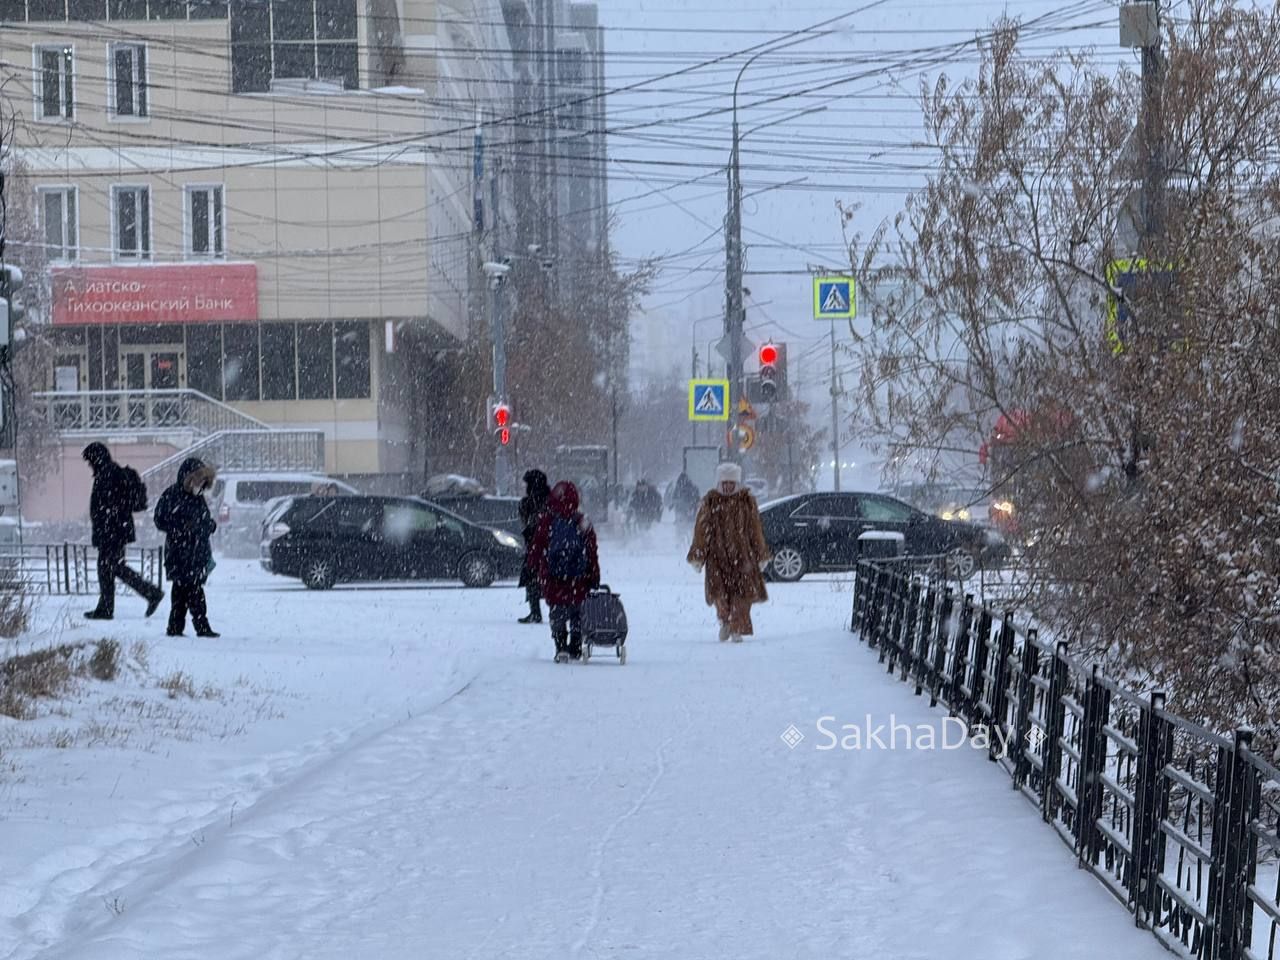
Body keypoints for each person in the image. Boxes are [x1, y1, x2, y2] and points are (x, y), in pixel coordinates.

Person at [687, 462, 771, 642]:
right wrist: (698, 555)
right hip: (717, 558)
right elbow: (702, 530)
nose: (727, 486)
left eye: (731, 483)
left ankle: (737, 627)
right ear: (718, 483)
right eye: (724, 483)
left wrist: (761, 553)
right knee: (720, 595)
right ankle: (725, 622)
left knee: (742, 595)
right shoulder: (710, 501)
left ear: (737, 483)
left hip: (743, 557)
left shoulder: (746, 501)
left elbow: (755, 529)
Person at [82, 442, 164, 621]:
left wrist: (105, 523)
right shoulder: (109, 472)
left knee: (112, 567)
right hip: (115, 530)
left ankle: (150, 593)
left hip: (112, 531)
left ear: (97, 458)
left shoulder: (108, 474)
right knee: (111, 568)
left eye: (90, 460)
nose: (89, 464)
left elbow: (110, 505)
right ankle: (107, 607)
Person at [528, 481, 600, 662]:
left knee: (557, 610)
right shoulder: (582, 521)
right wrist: (594, 574)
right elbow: (591, 551)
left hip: (553, 577)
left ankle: (560, 646)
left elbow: (537, 547)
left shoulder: (547, 521)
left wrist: (533, 566)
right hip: (579, 578)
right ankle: (575, 645)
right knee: (577, 611)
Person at [153, 457, 220, 638]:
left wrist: (209, 525)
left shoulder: (198, 498)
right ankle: (201, 626)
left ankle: (175, 627)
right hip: (180, 553)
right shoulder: (172, 495)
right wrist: (181, 528)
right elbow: (160, 520)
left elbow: (203, 521)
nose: (201, 486)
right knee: (193, 591)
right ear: (189, 478)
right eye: (198, 481)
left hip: (196, 553)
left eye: (203, 482)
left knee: (181, 592)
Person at [517, 469, 551, 624]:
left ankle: (535, 611)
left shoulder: (529, 503)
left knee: (532, 578)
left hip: (536, 547)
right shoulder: (551, 500)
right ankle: (555, 611)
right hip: (549, 547)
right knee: (550, 579)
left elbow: (527, 522)